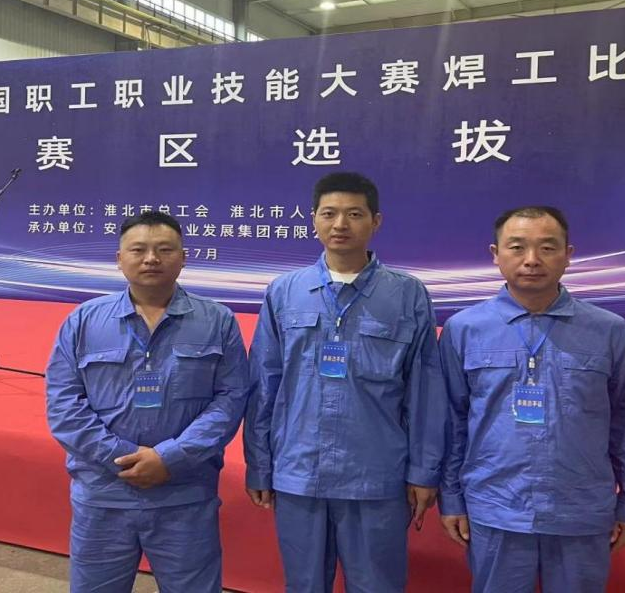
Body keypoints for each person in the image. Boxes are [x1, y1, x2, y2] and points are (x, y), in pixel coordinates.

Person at [438, 206, 625, 593]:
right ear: (495, 254)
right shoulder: (464, 329)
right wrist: (452, 497)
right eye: (517, 247)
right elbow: (451, 421)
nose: (532, 260)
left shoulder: (608, 331)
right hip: (495, 507)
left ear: (568, 254)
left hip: (581, 509)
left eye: (547, 247)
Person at [244, 171, 445, 592]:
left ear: (376, 221)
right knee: (303, 584)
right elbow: (264, 383)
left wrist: (423, 471)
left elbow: (425, 390)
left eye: (354, 214)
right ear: (313, 220)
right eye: (329, 213)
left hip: (377, 474)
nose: (340, 224)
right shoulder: (284, 292)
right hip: (299, 471)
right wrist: (259, 464)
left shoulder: (407, 294)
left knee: (378, 585)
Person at [45, 212, 248, 593]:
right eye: (138, 250)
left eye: (164, 249)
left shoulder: (217, 321)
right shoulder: (84, 321)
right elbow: (64, 404)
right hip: (104, 494)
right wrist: (122, 457)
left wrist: (170, 458)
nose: (151, 258)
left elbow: (231, 399)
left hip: (184, 495)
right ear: (119, 258)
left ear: (183, 257)